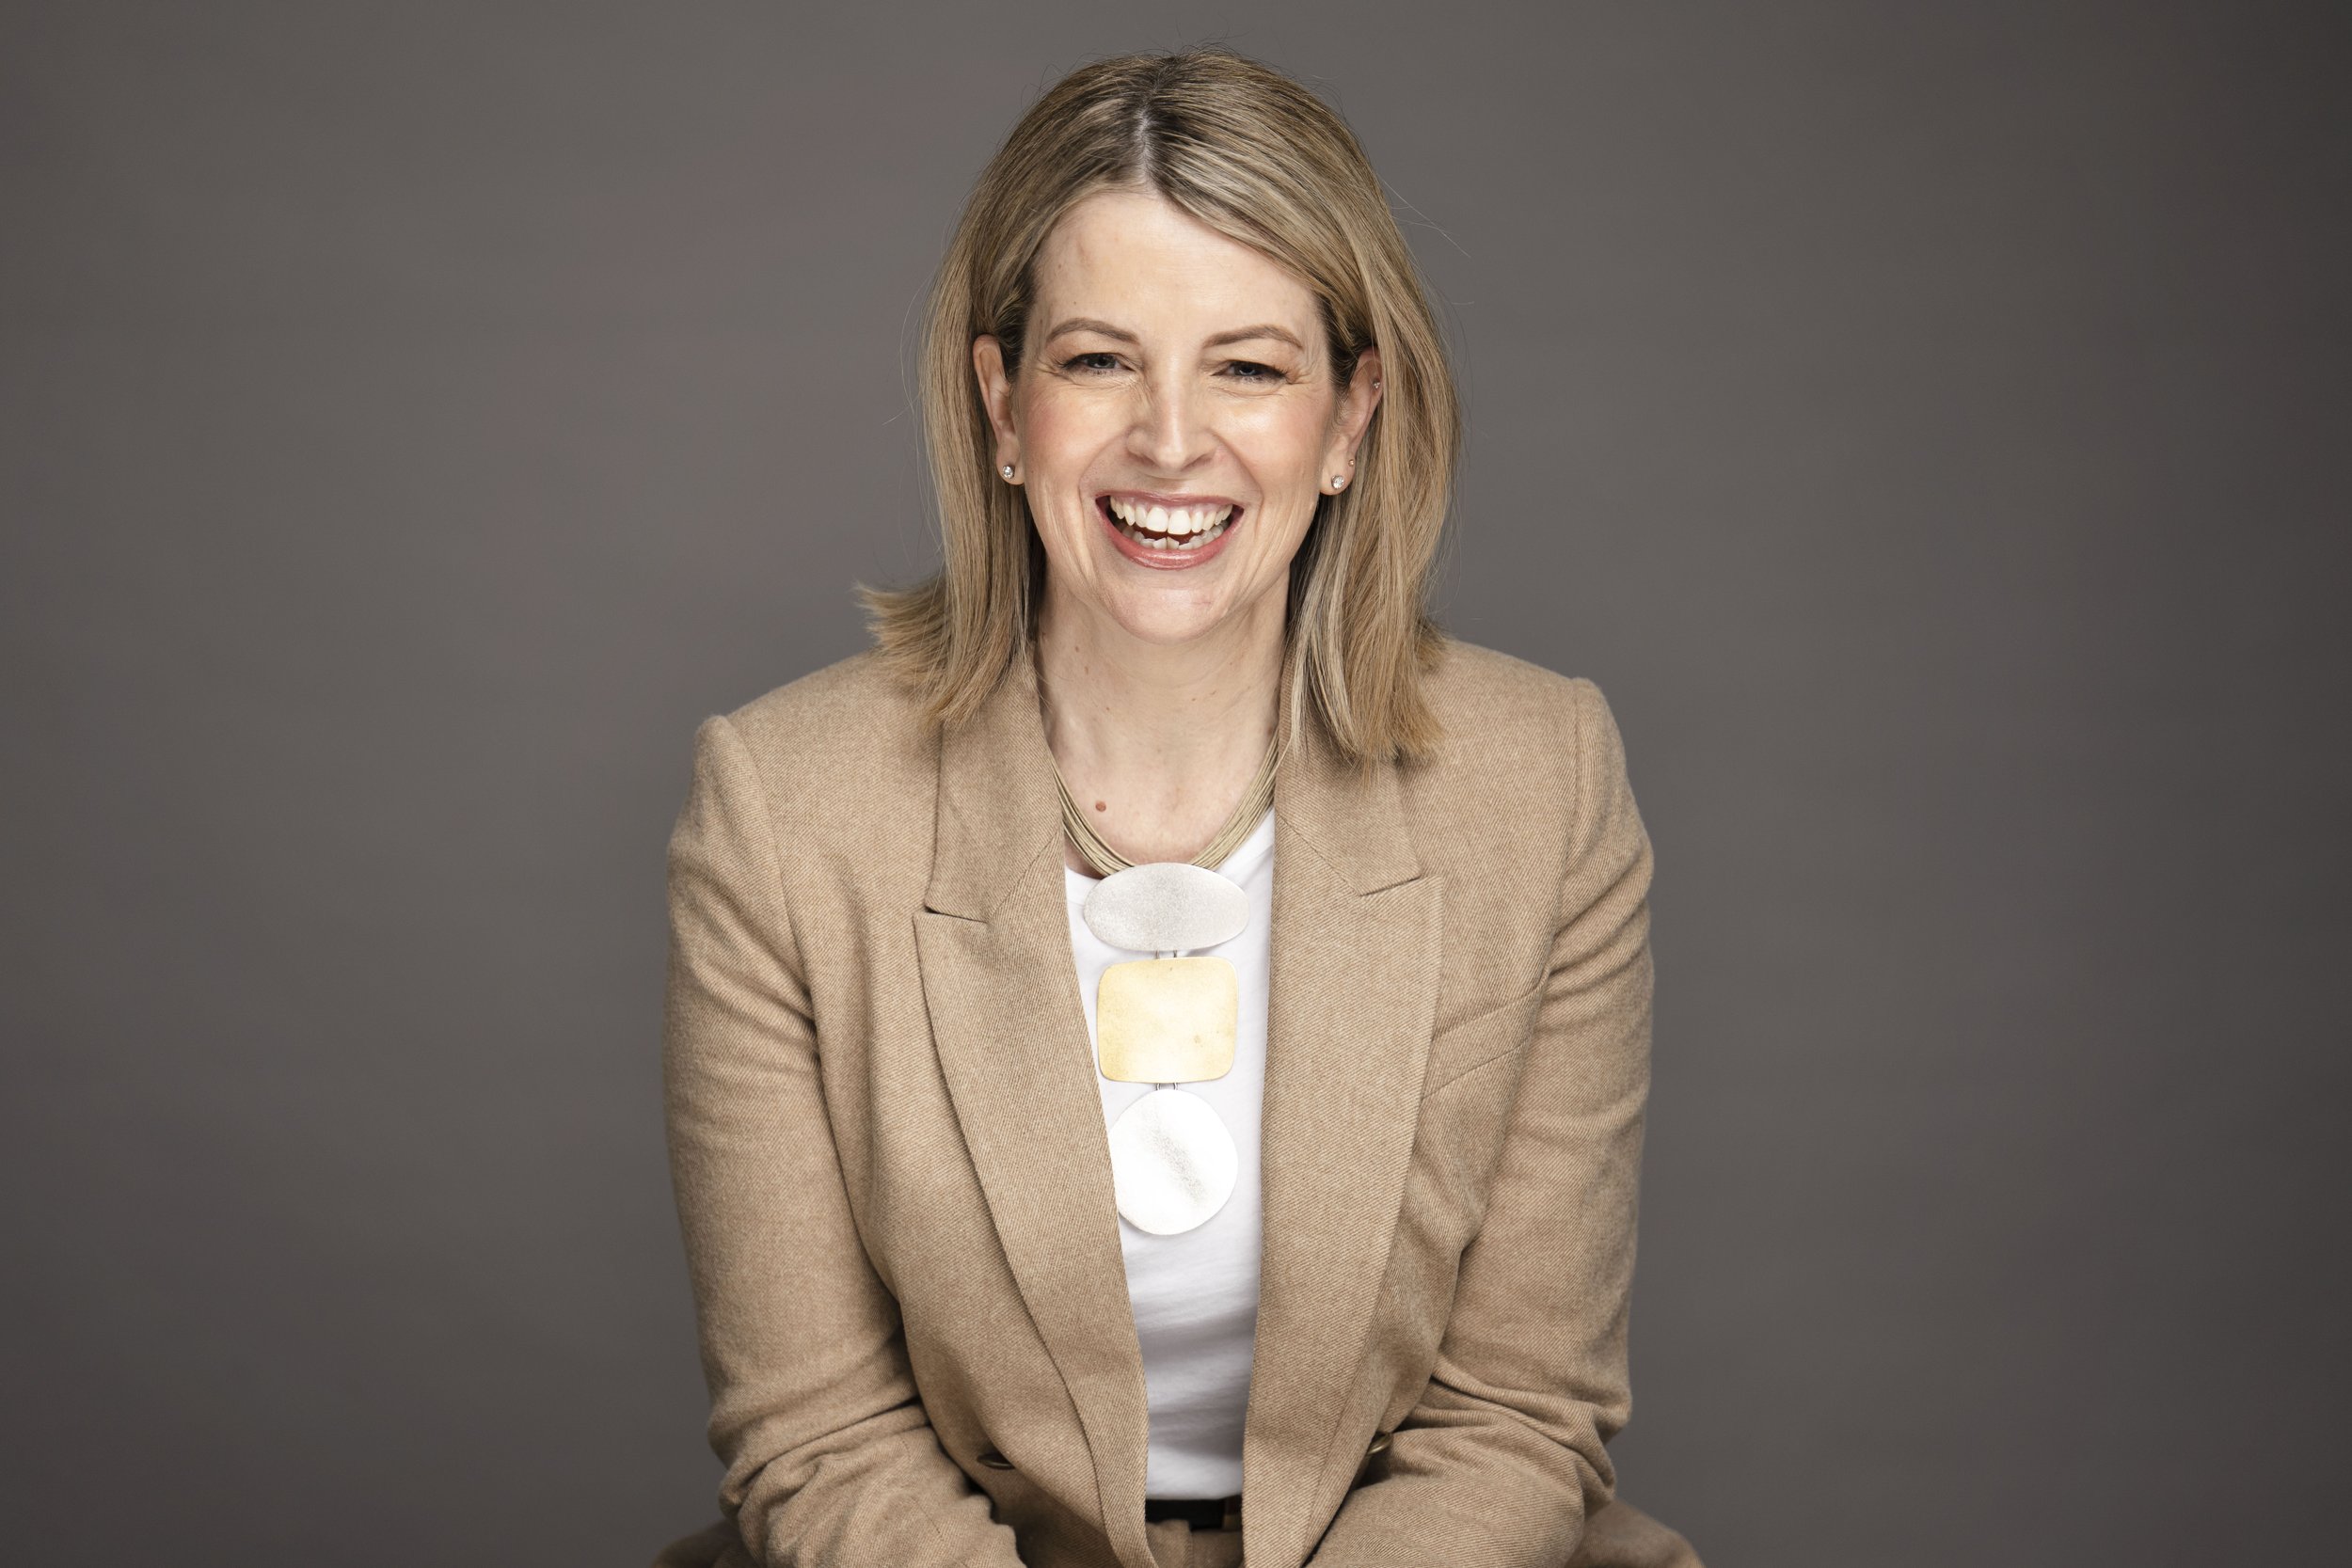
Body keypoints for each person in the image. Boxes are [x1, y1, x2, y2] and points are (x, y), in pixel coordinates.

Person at [650, 46, 1704, 1568]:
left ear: (1350, 421)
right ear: (1002, 406)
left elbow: (1516, 1413)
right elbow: (821, 1436)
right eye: (1099, 362)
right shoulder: (783, 810)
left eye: (1249, 368)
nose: (1168, 439)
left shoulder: (1541, 783)